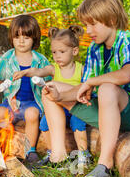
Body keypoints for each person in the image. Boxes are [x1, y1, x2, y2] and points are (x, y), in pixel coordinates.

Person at [42, 0, 130, 177]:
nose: (88, 30)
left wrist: (92, 82)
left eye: (93, 24)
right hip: (104, 111)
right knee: (51, 88)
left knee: (108, 88)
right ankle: (58, 155)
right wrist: (59, 97)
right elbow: (84, 88)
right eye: (86, 24)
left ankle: (105, 164)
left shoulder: (128, 40)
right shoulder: (94, 49)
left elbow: (127, 75)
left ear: (110, 19)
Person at [13, 25, 91, 168]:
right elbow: (39, 71)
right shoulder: (53, 68)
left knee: (78, 122)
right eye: (54, 52)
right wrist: (25, 72)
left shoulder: (81, 69)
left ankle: (83, 154)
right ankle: (52, 152)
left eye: (62, 51)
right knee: (44, 123)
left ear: (74, 51)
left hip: (75, 107)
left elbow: (88, 88)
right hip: (58, 110)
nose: (57, 56)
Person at [0, 15, 51, 164]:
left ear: (34, 38)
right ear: (12, 38)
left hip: (32, 102)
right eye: (17, 37)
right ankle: (8, 145)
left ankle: (30, 150)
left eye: (26, 37)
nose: (21, 41)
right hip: (11, 102)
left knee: (32, 115)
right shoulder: (7, 58)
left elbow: (49, 82)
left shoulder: (40, 60)